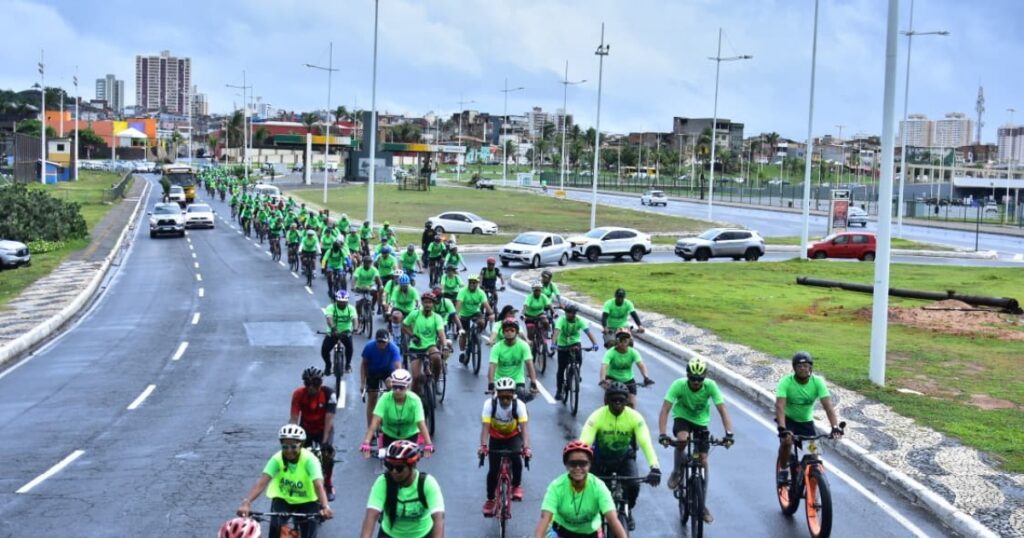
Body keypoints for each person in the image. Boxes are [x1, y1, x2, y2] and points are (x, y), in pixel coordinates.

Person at [658, 356, 734, 524]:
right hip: (682, 417)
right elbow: (665, 409)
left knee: (703, 460)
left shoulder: (710, 386)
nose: (696, 382)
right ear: (687, 375)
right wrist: (663, 434)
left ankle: (702, 504)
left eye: (700, 379)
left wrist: (729, 434)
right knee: (682, 439)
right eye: (692, 378)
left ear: (704, 377)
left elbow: (722, 409)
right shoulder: (678, 385)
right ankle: (677, 471)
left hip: (701, 422)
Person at [580, 382, 661, 531]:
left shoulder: (634, 417)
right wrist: (580, 463)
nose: (617, 403)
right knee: (590, 492)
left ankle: (627, 509)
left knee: (634, 485)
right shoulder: (597, 416)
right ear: (606, 401)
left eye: (621, 400)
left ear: (626, 401)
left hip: (624, 459)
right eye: (613, 400)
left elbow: (645, 442)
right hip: (600, 460)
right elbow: (584, 442)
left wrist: (654, 466)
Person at [237, 425, 333, 538]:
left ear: (301, 444)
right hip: (283, 499)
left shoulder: (311, 460)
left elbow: (318, 485)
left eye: (293, 446)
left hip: (308, 500)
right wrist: (246, 502)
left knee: (309, 532)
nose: (289, 451)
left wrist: (325, 507)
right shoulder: (277, 459)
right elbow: (261, 482)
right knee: (275, 529)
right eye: (285, 446)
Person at [533, 440, 627, 538]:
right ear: (566, 465)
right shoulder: (556, 486)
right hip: (561, 532)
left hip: (591, 534)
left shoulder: (599, 487)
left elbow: (612, 520)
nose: (578, 468)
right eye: (573, 464)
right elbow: (545, 518)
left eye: (583, 463)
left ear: (589, 465)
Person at [775, 352, 843, 487]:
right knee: (787, 441)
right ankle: (783, 469)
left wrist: (835, 427)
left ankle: (816, 485)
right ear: (794, 368)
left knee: (814, 457)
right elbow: (780, 406)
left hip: (806, 423)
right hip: (788, 420)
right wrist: (782, 428)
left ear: (810, 368)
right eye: (799, 366)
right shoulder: (786, 382)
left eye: (806, 366)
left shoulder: (817, 382)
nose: (803, 369)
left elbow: (828, 406)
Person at [359, 440, 445, 538]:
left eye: (399, 468)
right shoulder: (383, 482)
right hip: (390, 535)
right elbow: (371, 516)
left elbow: (439, 518)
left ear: (412, 466)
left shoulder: (427, 483)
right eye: (389, 466)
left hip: (422, 535)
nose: (394, 471)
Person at [479, 377, 532, 516]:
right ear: (497, 394)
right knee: (493, 471)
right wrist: (483, 446)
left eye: (508, 397)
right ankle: (490, 500)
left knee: (517, 461)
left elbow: (524, 429)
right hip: (495, 437)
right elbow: (485, 428)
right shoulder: (489, 404)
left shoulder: (519, 405)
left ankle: (516, 485)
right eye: (502, 397)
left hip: (513, 436)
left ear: (513, 394)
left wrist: (526, 448)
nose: (504, 400)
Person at [290, 367, 338, 501]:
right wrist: (291, 439)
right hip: (306, 428)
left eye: (315, 383)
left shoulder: (329, 394)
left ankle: (328, 484)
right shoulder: (298, 394)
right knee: (295, 454)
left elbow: (329, 418)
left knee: (327, 453)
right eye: (307, 383)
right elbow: (293, 418)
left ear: (321, 383)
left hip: (324, 428)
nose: (311, 387)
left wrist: (325, 442)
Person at [360, 369, 434, 455]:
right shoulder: (384, 399)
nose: (398, 390)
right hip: (389, 437)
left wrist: (428, 444)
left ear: (407, 387)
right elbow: (375, 422)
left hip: (410, 437)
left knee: (409, 462)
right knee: (389, 461)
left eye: (401, 387)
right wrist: (366, 442)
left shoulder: (415, 400)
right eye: (395, 387)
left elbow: (420, 423)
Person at [551, 304, 600, 400]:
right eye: (569, 312)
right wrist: (553, 344)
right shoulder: (561, 320)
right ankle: (559, 390)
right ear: (565, 313)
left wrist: (595, 344)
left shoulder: (579, 321)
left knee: (579, 359)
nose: (571, 314)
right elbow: (556, 332)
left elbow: (588, 332)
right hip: (563, 344)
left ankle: (576, 372)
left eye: (573, 313)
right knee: (561, 369)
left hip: (575, 342)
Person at [402, 292, 448, 395]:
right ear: (422, 303)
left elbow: (441, 333)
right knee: (416, 377)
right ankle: (413, 399)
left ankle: (436, 380)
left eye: (430, 303)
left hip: (430, 346)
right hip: (415, 347)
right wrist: (412, 335)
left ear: (433, 304)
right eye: (426, 302)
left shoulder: (437, 317)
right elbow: (404, 325)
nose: (428, 304)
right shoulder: (415, 314)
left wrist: (445, 345)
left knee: (437, 357)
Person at [599, 330, 653, 408]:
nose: (623, 343)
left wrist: (646, 378)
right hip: (612, 379)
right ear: (617, 341)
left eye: (625, 341)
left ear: (629, 342)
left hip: (628, 380)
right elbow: (604, 366)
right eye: (620, 340)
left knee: (632, 404)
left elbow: (641, 365)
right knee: (608, 401)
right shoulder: (610, 352)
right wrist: (603, 380)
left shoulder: (633, 352)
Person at [488, 318, 539, 401]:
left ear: (517, 332)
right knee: (494, 402)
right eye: (506, 330)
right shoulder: (496, 347)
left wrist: (533, 382)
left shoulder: (523, 345)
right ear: (503, 332)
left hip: (517, 379)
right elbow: (492, 366)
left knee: (521, 399)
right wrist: (491, 383)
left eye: (512, 330)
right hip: (500, 379)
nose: (509, 333)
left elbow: (529, 364)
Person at [360, 329, 404, 427]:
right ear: (375, 341)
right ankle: (370, 428)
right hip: (373, 371)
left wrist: (396, 382)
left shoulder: (394, 348)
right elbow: (364, 365)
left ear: (388, 341)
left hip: (387, 370)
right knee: (372, 397)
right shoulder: (369, 347)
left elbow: (398, 368)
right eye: (379, 342)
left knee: (392, 387)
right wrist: (362, 383)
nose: (381, 344)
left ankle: (390, 410)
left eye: (383, 342)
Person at [455, 275, 494, 364]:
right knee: (463, 334)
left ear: (477, 283)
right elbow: (459, 304)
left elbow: (486, 304)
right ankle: (462, 352)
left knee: (482, 322)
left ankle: (477, 335)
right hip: (464, 314)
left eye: (474, 282)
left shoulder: (481, 293)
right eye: (471, 282)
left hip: (475, 313)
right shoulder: (462, 291)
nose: (472, 284)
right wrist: (457, 315)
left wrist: (491, 314)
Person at [321, 290, 358, 375]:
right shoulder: (331, 307)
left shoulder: (351, 308)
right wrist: (333, 329)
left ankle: (347, 365)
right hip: (333, 331)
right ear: (336, 300)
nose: (342, 303)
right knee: (324, 350)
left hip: (346, 331)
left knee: (349, 347)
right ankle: (328, 365)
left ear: (347, 301)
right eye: (340, 302)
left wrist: (355, 329)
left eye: (344, 302)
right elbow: (329, 319)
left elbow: (354, 319)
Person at [522, 281, 553, 346]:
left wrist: (553, 311)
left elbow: (549, 304)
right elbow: (525, 306)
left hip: (540, 314)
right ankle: (532, 347)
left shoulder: (543, 296)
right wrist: (523, 314)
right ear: (533, 290)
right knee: (530, 335)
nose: (538, 292)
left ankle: (545, 333)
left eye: (539, 290)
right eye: (536, 290)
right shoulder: (530, 297)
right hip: (529, 316)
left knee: (545, 321)